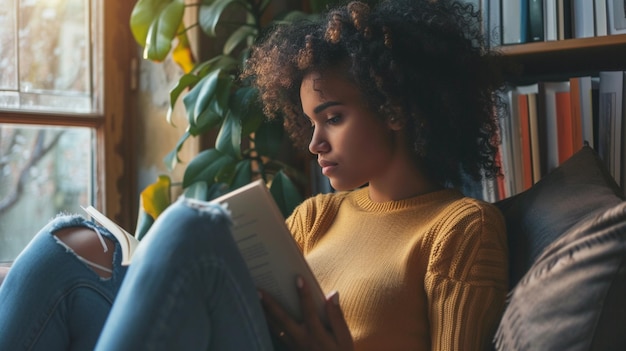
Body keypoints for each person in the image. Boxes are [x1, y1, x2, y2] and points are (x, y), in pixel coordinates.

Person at [0, 0, 509, 350]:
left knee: (195, 226)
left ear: (394, 109)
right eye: (311, 123)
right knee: (66, 245)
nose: (314, 144)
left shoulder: (460, 228)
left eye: (333, 118)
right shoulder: (316, 216)